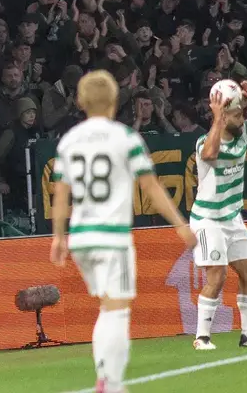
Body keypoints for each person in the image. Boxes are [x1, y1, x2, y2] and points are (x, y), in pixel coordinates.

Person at [50, 70, 196, 393]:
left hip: (81, 238)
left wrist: (58, 237)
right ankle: (110, 383)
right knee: (117, 310)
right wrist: (180, 224)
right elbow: (152, 188)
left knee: (106, 306)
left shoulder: (69, 141)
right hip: (112, 236)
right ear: (115, 101)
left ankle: (106, 378)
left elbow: (60, 194)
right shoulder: (126, 138)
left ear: (80, 102)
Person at [192, 80, 247, 351]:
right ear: (221, 115)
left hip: (232, 217)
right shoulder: (205, 142)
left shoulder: (243, 132)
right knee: (217, 278)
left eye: (242, 111)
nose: (242, 117)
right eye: (236, 113)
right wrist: (219, 118)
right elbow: (209, 154)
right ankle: (202, 338)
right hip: (208, 220)